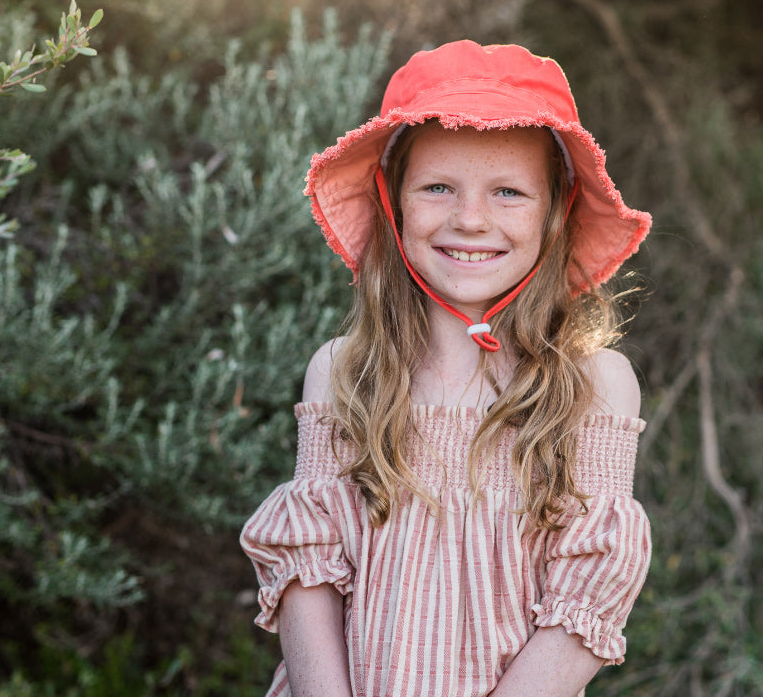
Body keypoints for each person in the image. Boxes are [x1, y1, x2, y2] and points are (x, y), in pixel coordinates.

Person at [241, 41, 653, 697]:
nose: (469, 219)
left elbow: (587, 605)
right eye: (438, 187)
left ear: (556, 212)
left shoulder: (593, 384)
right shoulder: (345, 372)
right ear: (393, 199)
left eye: (508, 193)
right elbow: (306, 576)